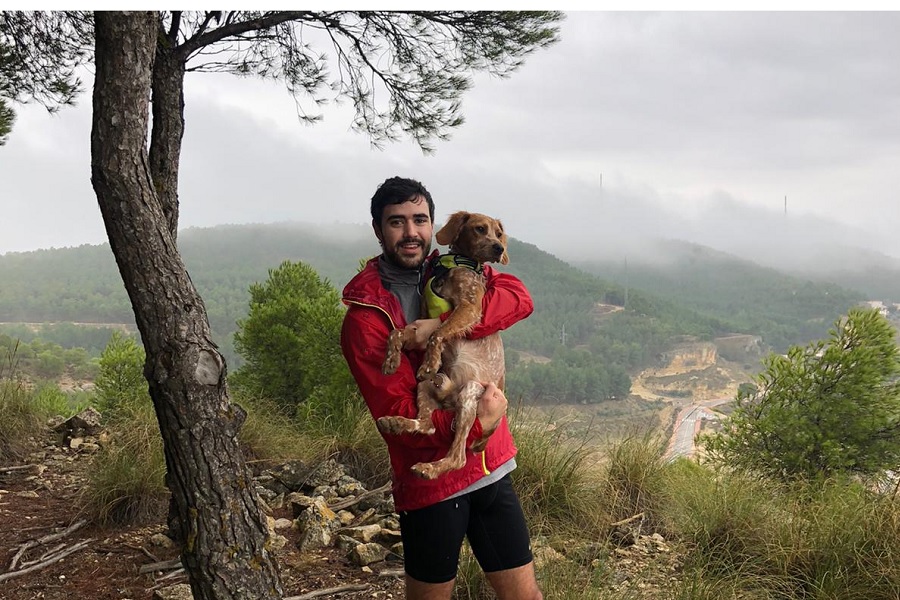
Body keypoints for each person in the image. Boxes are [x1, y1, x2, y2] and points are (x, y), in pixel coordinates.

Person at [340, 176, 542, 600]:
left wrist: (439, 327)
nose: (410, 232)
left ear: (433, 226)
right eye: (396, 222)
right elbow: (394, 411)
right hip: (432, 483)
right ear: (378, 229)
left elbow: (518, 297)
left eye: (419, 220)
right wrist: (478, 423)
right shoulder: (367, 316)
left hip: (490, 466)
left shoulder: (452, 268)